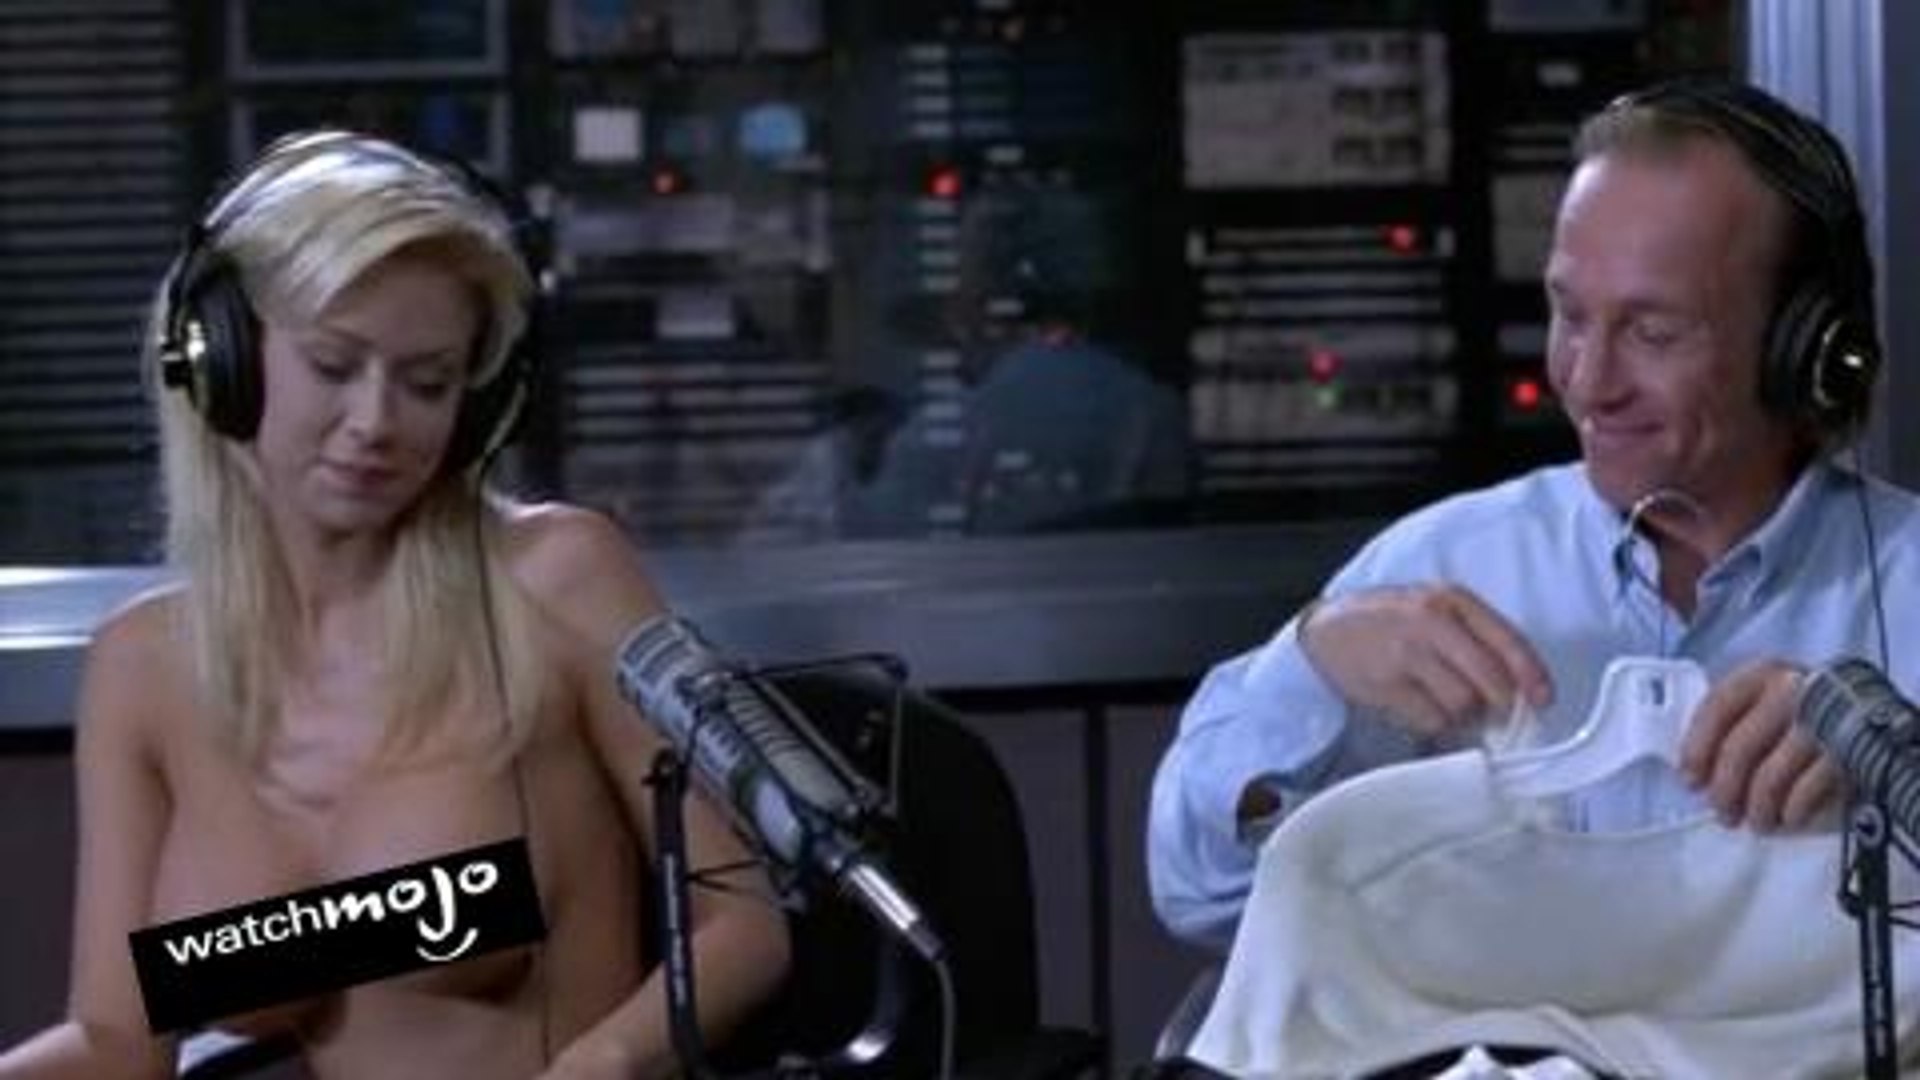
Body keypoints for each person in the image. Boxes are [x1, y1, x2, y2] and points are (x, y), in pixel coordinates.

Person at [0, 131, 788, 1078]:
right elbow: (121, 1044)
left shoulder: (556, 578)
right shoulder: (145, 664)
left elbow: (746, 925)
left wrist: (609, 1061)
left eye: (427, 383)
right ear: (222, 359)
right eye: (335, 367)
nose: (377, 422)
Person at [1148, 76, 1920, 952]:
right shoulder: (1441, 567)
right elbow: (1199, 894)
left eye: (1653, 332)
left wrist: (1891, 769)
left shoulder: (1906, 585)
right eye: (1570, 314)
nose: (1588, 381)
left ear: (1809, 349)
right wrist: (1310, 672)